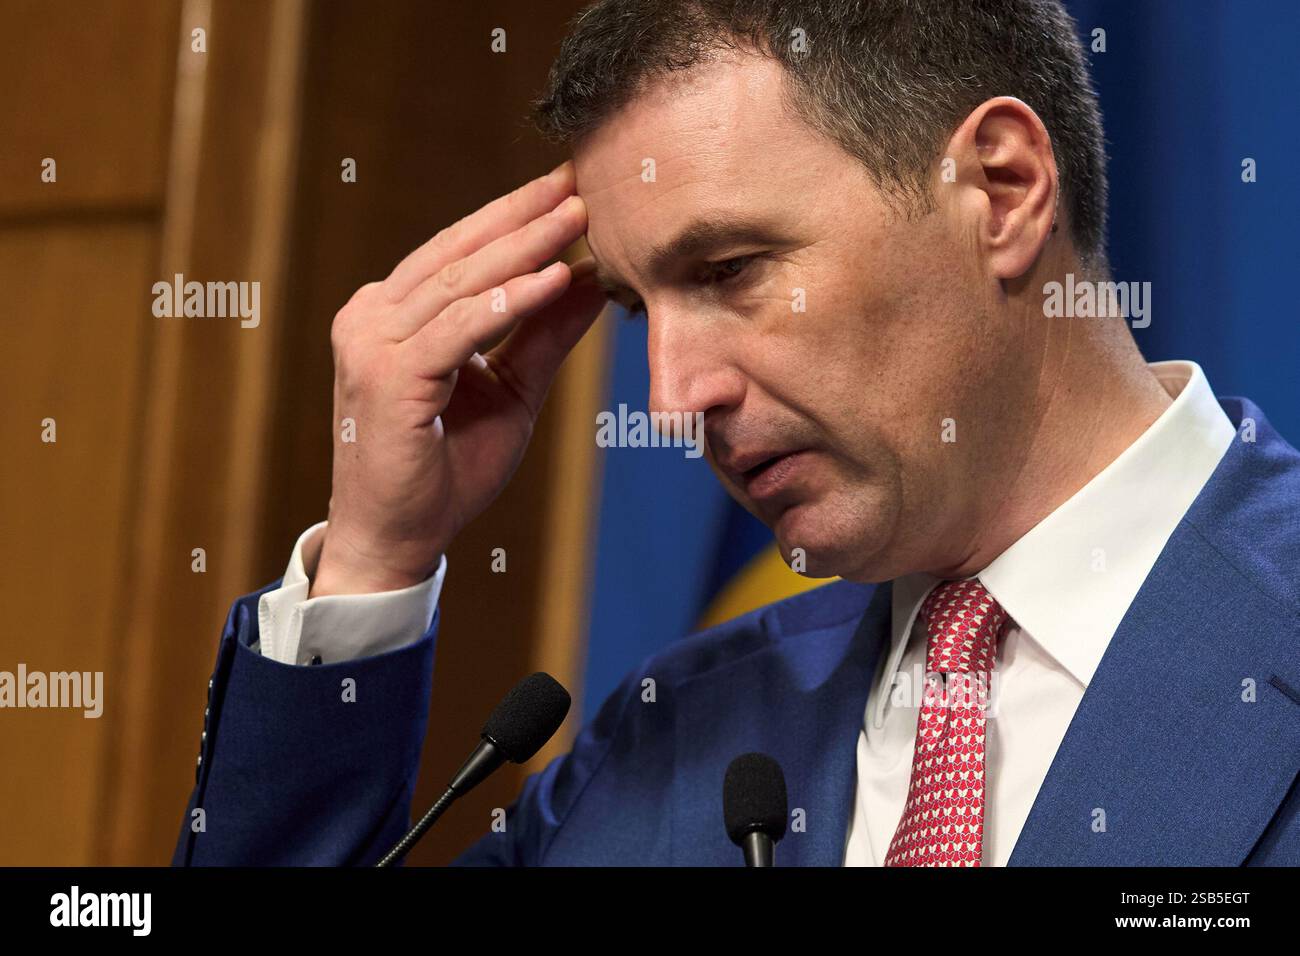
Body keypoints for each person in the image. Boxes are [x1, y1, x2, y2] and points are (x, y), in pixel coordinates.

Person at [173, 0, 1300, 866]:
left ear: (999, 190)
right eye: (632, 307)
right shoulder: (666, 736)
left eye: (730, 270)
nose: (671, 398)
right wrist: (378, 554)